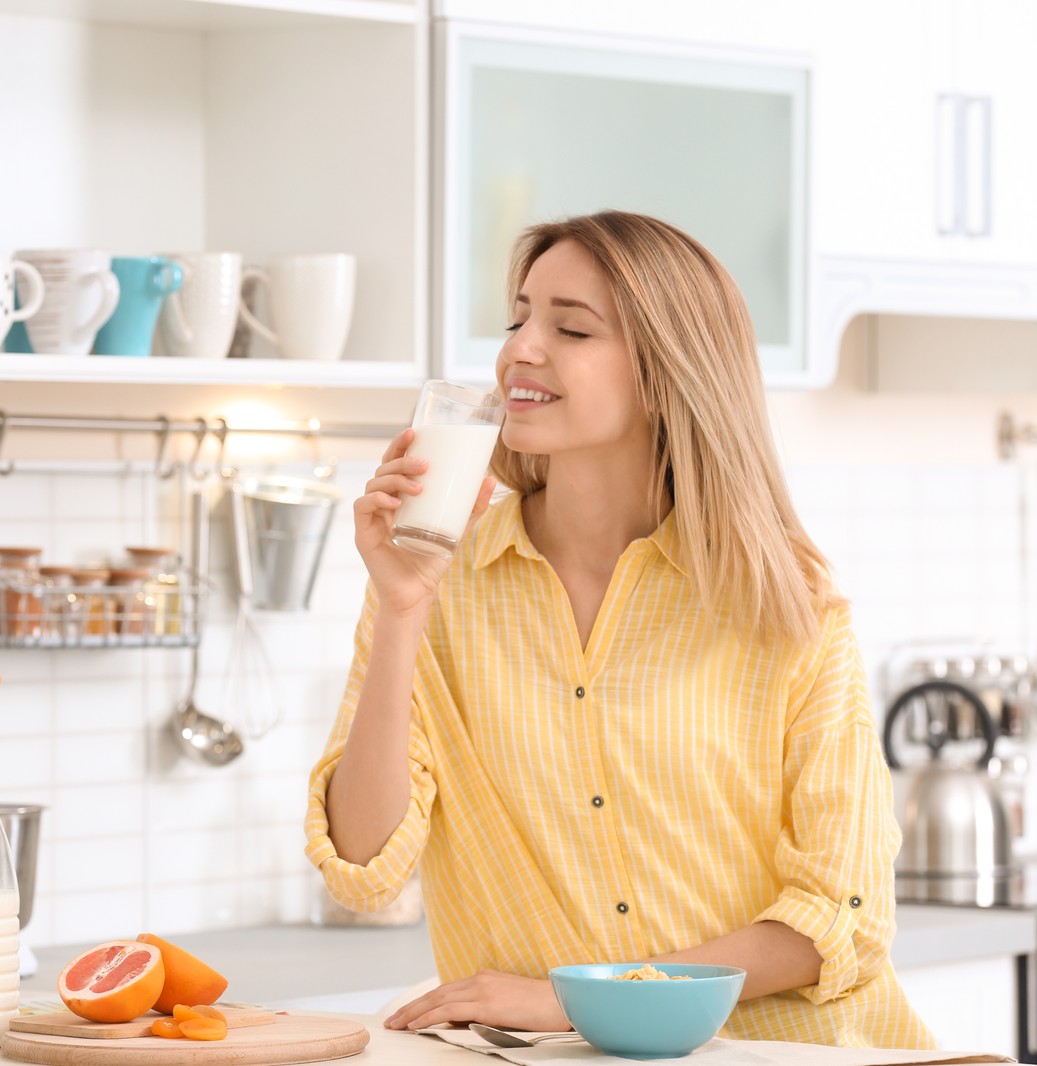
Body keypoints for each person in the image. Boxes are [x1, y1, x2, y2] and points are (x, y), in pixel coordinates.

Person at [304, 211, 934, 1048]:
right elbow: (362, 863)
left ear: (668, 368)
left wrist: (579, 1000)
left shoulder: (784, 601)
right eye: (518, 317)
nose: (521, 348)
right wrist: (401, 607)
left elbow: (842, 915)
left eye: (571, 328)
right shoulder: (438, 585)